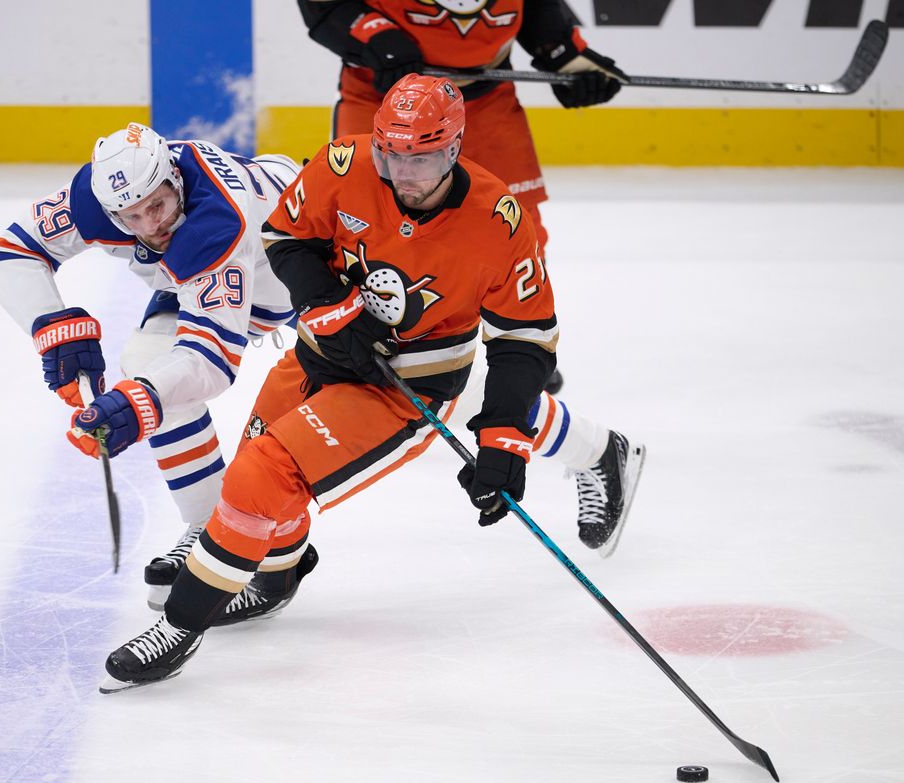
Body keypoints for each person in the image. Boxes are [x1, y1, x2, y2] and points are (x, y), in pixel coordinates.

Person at [99, 75, 642, 692]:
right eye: (392, 156)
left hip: (403, 383)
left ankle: (178, 626)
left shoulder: (498, 222)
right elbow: (287, 233)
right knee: (259, 498)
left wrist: (503, 439)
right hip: (320, 352)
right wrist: (327, 305)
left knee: (261, 477)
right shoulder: (348, 163)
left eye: (425, 159)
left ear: (456, 149)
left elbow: (524, 340)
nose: (404, 175)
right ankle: (277, 577)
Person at [0, 122, 313, 620]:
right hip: (197, 276)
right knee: (146, 365)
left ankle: (273, 549)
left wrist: (138, 402)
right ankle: (211, 527)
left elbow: (213, 360)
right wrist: (51, 323)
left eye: (156, 206)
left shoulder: (215, 223)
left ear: (175, 179)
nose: (148, 226)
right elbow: (9, 252)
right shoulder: (95, 199)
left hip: (296, 263)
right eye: (129, 216)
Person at [297, 0, 629, 396]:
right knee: (360, 225)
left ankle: (521, 345)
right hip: (386, 98)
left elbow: (539, 15)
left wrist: (565, 54)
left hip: (484, 100)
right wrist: (374, 36)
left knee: (519, 229)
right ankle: (354, 344)